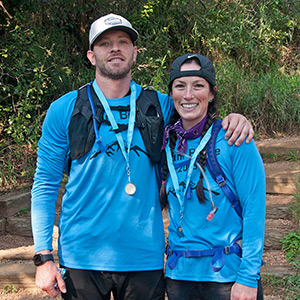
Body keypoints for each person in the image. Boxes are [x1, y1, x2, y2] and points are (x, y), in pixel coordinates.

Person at [31, 13, 254, 300]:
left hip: (144, 260)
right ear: (90, 55)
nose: (115, 49)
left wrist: (235, 119)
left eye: (123, 42)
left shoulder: (161, 106)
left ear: (134, 53)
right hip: (81, 258)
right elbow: (45, 184)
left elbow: (198, 112)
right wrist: (43, 257)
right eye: (105, 43)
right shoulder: (65, 109)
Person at [160, 53, 266, 300]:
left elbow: (254, 210)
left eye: (198, 86)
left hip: (227, 278)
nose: (188, 95)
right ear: (171, 94)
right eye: (180, 86)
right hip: (179, 278)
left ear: (211, 93)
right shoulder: (167, 143)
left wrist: (248, 277)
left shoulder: (234, 139)